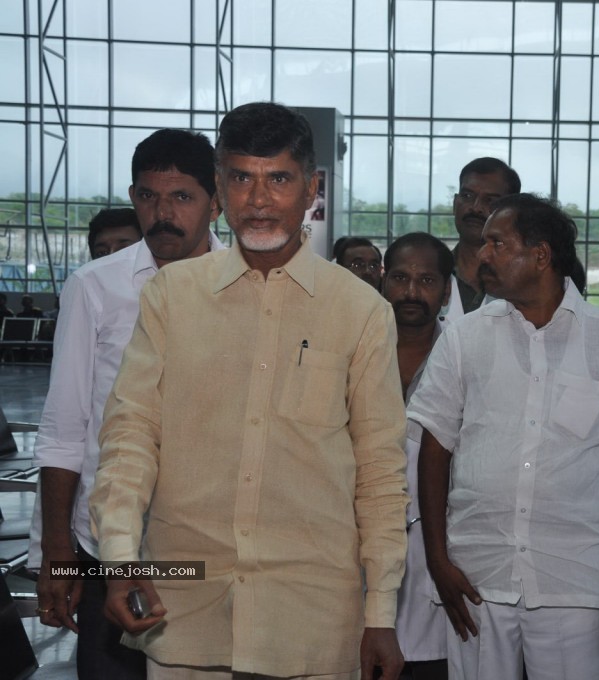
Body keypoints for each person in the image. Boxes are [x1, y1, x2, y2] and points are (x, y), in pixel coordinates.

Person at [90, 102, 408, 680]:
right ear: (219, 187)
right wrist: (118, 557)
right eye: (241, 178)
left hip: (310, 618)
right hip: (184, 613)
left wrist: (381, 612)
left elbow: (380, 471)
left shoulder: (359, 310)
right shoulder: (172, 297)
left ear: (312, 188)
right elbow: (131, 435)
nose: (259, 200)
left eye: (279, 179)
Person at [409, 194, 599, 680]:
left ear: (540, 255)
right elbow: (435, 446)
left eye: (498, 243)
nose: (483, 254)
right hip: (476, 574)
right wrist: (437, 559)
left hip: (575, 578)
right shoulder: (466, 336)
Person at [29, 128, 225, 680]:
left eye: (181, 197)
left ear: (215, 199)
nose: (162, 214)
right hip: (109, 548)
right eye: (147, 197)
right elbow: (66, 428)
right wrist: (57, 555)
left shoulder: (246, 288)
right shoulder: (95, 288)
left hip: (209, 545)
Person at [382, 232, 454, 680]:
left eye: (426, 280)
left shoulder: (465, 359)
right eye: (401, 278)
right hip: (360, 556)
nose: (411, 292)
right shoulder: (355, 354)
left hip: (438, 557)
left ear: (446, 290)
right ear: (382, 282)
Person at [444, 157, 520, 320]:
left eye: (490, 200)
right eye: (467, 195)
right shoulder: (434, 272)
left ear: (510, 212)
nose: (476, 207)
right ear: (455, 203)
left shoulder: (522, 281)